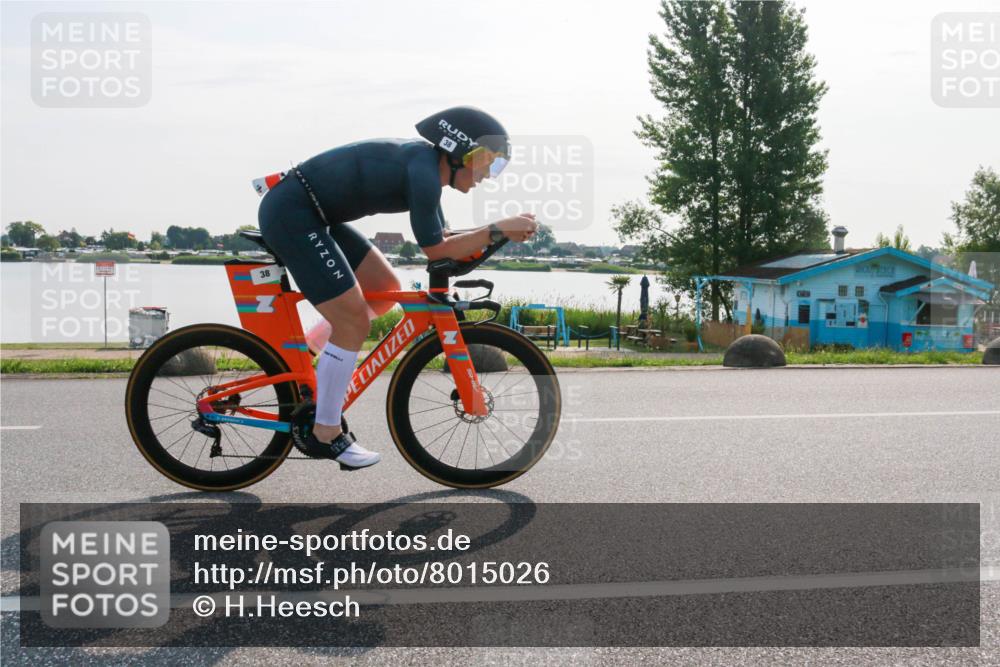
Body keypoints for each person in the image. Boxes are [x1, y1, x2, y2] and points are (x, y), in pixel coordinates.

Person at [256, 106, 538, 470]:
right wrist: (498, 228)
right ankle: (325, 431)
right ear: (457, 151)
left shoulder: (427, 169)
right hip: (293, 213)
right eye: (487, 162)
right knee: (353, 322)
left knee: (384, 287)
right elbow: (435, 251)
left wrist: (498, 231)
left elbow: (445, 238)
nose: (488, 174)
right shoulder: (422, 171)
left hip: (315, 214)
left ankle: (313, 355)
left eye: (496, 167)